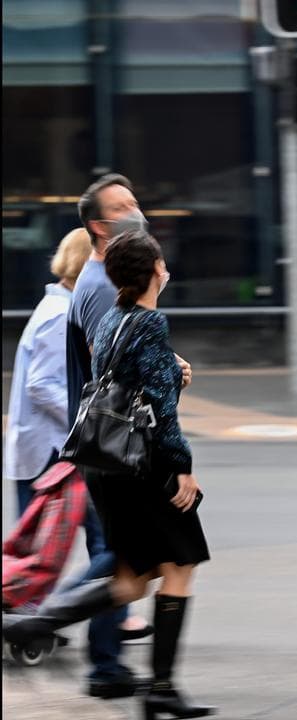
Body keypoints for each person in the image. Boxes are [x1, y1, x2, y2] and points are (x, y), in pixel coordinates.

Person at [9, 229, 214, 719]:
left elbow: (126, 386)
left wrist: (168, 368)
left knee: (131, 579)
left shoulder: (110, 321)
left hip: (105, 465)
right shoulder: (150, 323)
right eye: (162, 263)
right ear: (152, 273)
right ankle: (161, 687)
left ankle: (29, 626)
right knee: (178, 567)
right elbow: (161, 412)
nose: (167, 269)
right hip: (141, 467)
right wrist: (182, 470)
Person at [65, 173, 160, 697]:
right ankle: (43, 620)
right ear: (100, 227)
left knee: (123, 552)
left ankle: (104, 662)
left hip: (108, 441)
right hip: (111, 443)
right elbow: (117, 370)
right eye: (124, 206)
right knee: (123, 555)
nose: (136, 210)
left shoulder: (105, 281)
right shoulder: (103, 290)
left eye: (135, 200)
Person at [5, 228, 92, 518]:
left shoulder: (61, 307)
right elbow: (41, 385)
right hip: (48, 450)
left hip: (46, 447)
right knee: (105, 543)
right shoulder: (60, 314)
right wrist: (85, 423)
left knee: (35, 550)